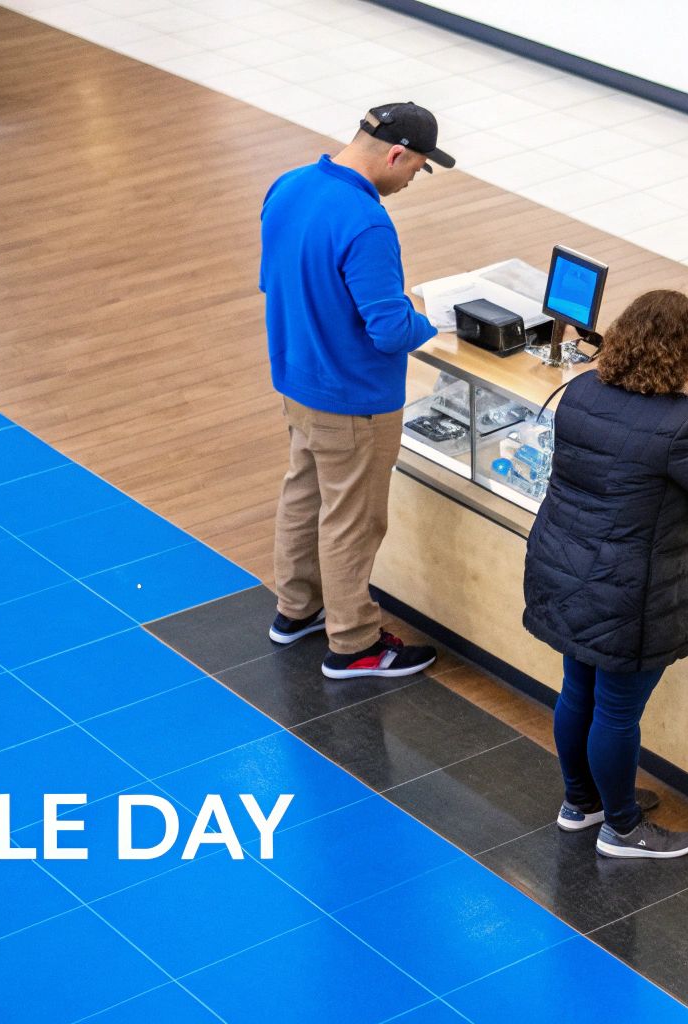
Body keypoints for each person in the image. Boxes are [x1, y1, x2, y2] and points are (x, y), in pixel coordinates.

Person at [523, 290, 688, 860]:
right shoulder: (683, 427)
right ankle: (624, 829)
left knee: (578, 690)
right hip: (630, 591)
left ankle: (582, 805)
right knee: (616, 712)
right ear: (683, 355)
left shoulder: (580, 390)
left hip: (568, 570)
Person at [260, 102, 454, 679]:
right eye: (417, 168)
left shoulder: (289, 185)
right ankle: (354, 643)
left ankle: (297, 610)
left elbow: (273, 280)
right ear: (396, 154)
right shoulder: (367, 222)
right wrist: (430, 324)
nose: (412, 180)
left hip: (297, 380)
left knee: (305, 495)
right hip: (353, 400)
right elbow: (390, 329)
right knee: (352, 519)